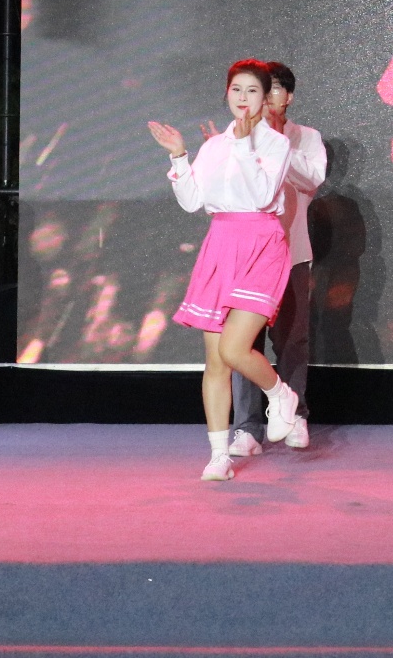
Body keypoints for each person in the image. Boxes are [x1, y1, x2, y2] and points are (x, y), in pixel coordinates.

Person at [148, 59, 301, 481]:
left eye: (253, 91)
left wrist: (246, 145)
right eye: (236, 89)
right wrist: (179, 156)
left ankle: (280, 395)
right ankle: (220, 456)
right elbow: (192, 201)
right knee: (216, 361)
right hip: (221, 245)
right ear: (227, 94)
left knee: (235, 349)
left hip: (261, 243)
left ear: (266, 98)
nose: (243, 98)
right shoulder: (214, 146)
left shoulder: (275, 144)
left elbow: (262, 195)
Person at [227, 60, 328, 457]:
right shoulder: (238, 136)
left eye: (272, 90)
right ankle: (246, 427)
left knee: (292, 340)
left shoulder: (307, 138)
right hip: (248, 257)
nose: (264, 98)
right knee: (244, 341)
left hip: (292, 253)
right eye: (257, 90)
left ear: (289, 97)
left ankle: (295, 415)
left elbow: (311, 180)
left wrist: (276, 143)